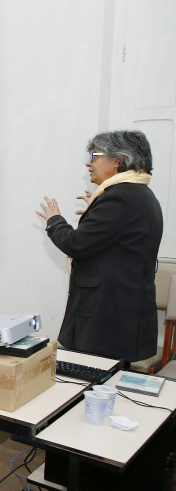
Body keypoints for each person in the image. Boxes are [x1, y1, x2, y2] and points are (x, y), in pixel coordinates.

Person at [36, 130, 163, 363]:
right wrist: (96, 213)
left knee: (94, 379)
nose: (89, 163)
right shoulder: (139, 194)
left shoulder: (120, 197)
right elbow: (114, 240)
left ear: (118, 161)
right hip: (122, 312)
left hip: (107, 316)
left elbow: (77, 244)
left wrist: (55, 221)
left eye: (95, 156)